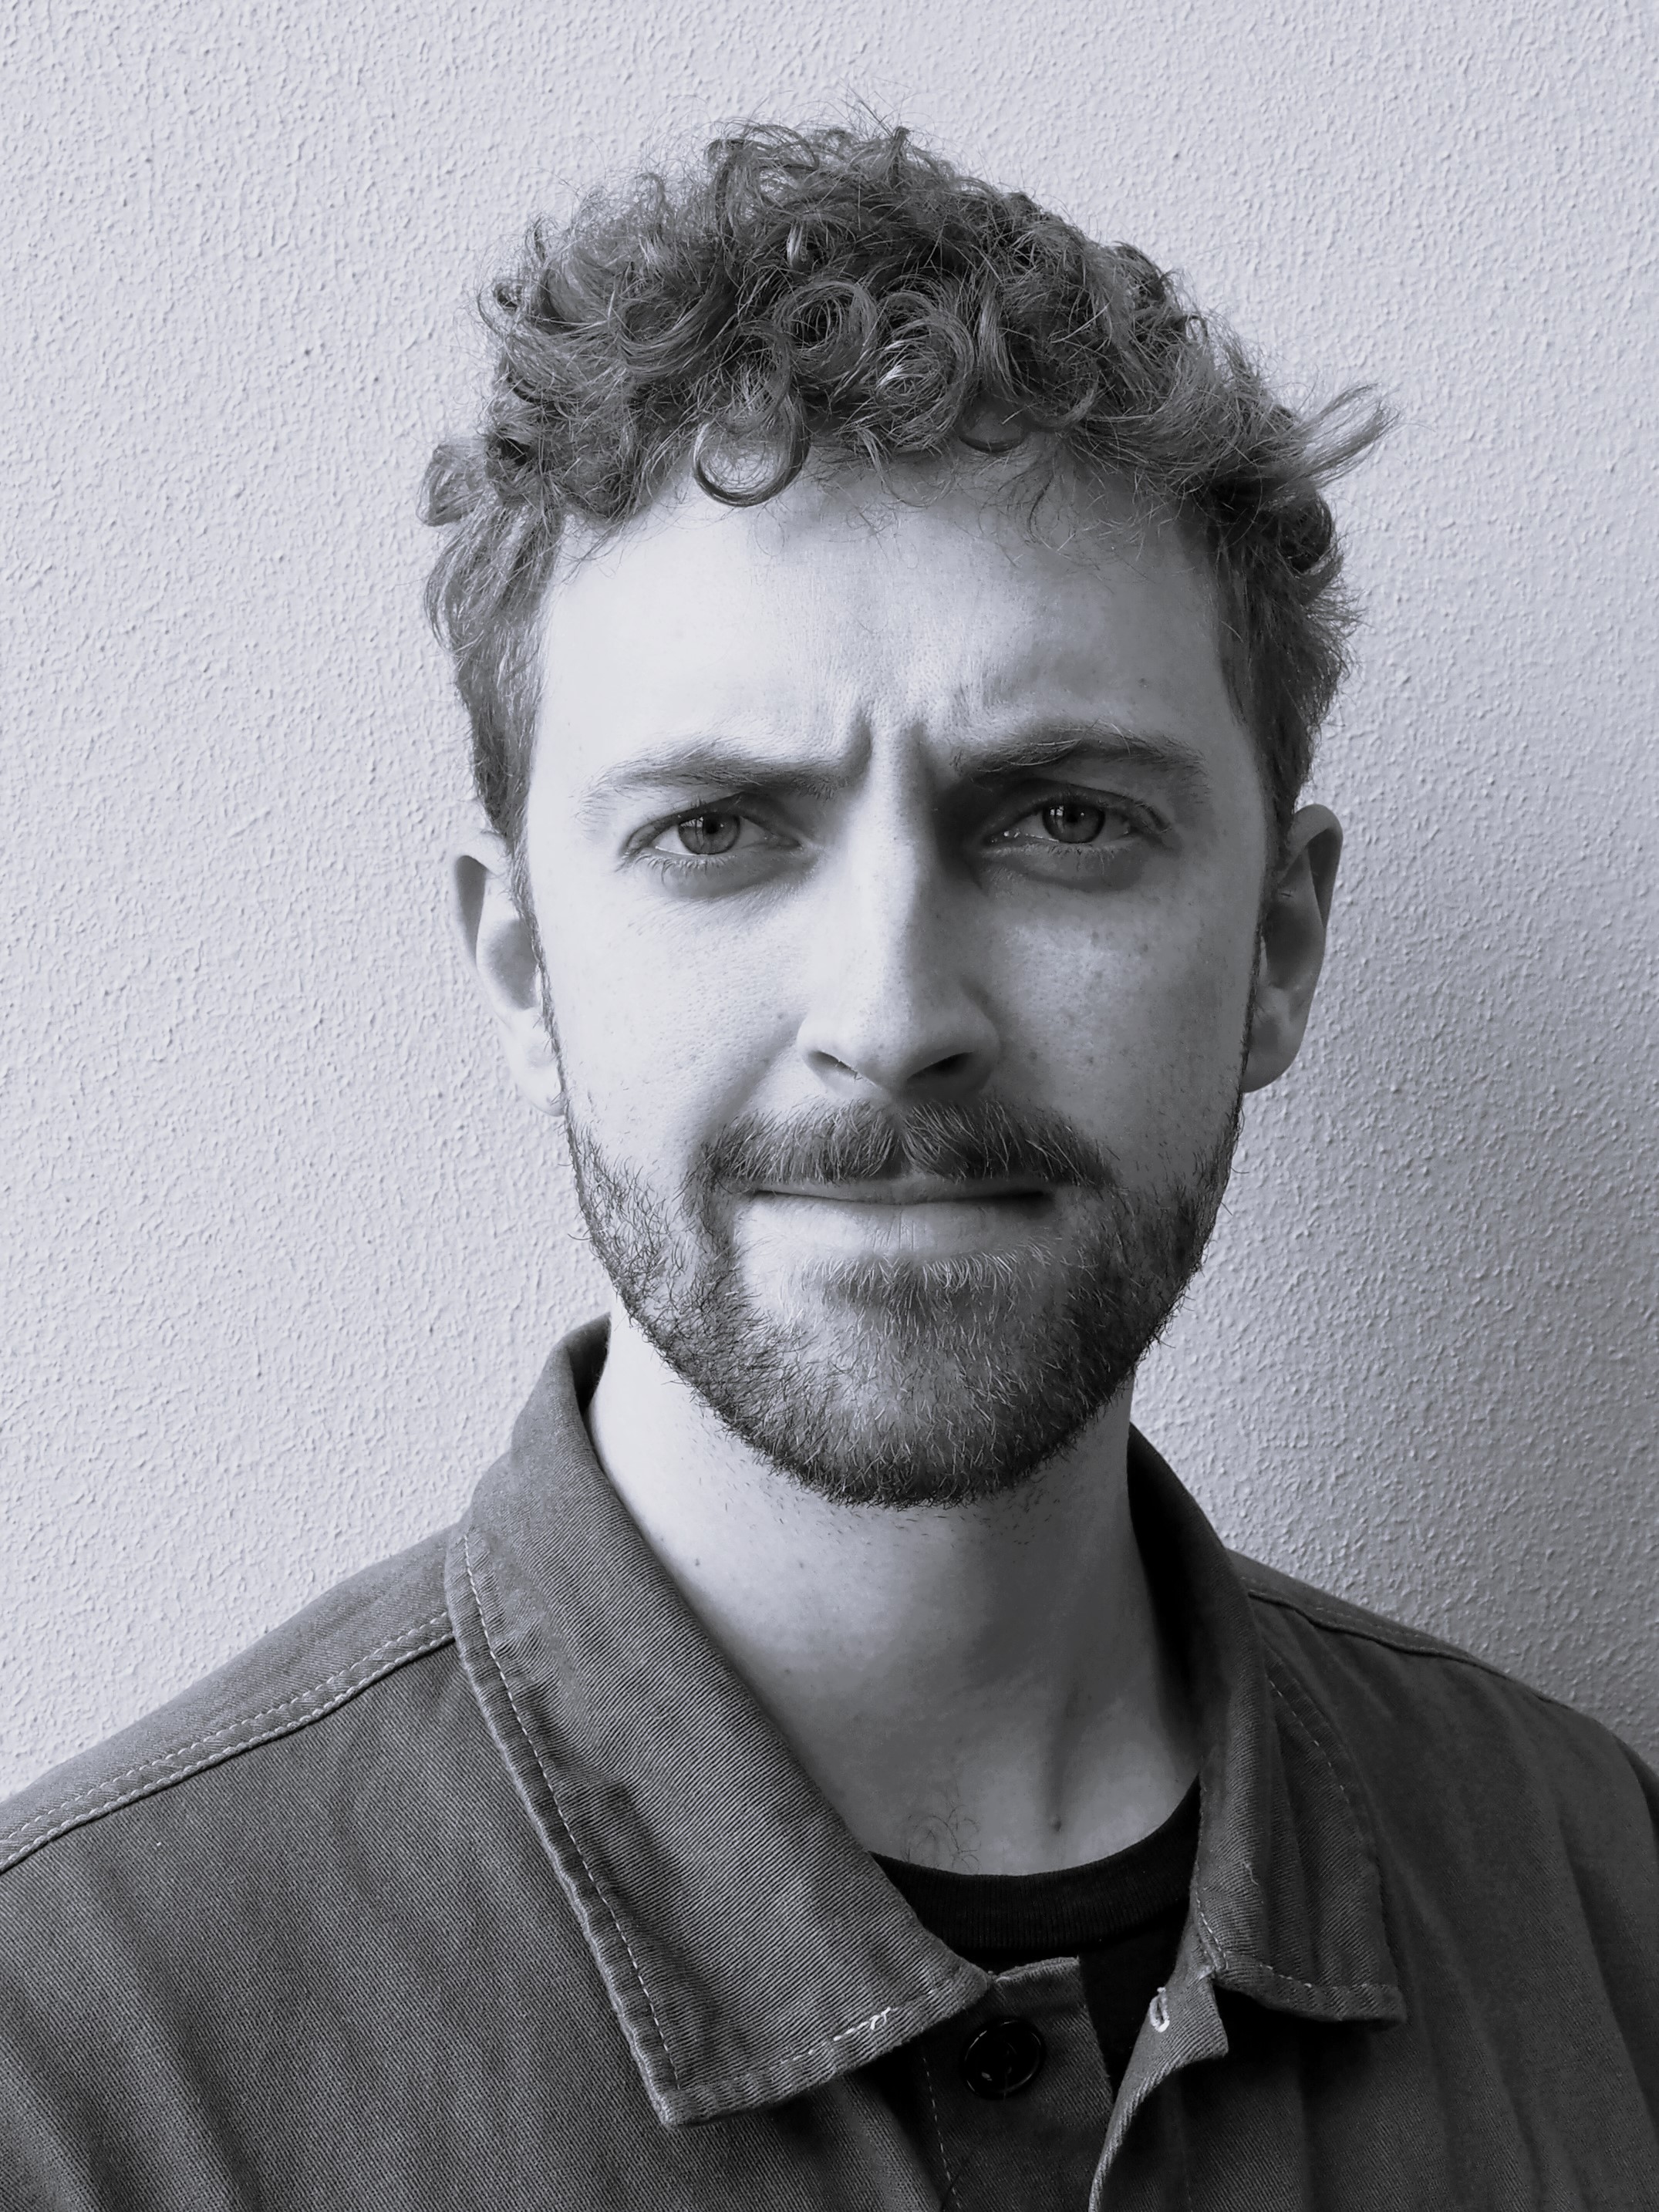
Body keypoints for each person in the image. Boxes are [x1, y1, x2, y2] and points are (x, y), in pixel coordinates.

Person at [1, 123, 1654, 2210]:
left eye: (1063, 818)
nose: (894, 1011)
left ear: (1279, 947)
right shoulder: (70, 2065)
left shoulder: (1605, 1907)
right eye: (718, 830)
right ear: (524, 966)